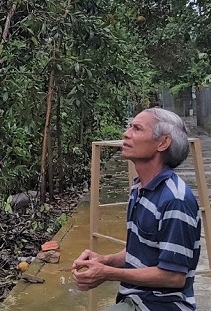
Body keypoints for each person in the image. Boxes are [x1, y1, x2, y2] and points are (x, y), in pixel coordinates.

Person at [72, 108, 201, 310]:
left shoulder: (175, 200)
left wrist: (107, 273)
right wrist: (105, 261)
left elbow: (173, 277)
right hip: (135, 299)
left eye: (137, 128)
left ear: (163, 143)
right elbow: (141, 251)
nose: (126, 133)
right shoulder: (139, 187)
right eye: (129, 126)